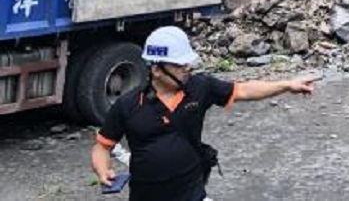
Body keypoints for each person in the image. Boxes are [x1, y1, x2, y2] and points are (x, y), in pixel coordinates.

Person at [90, 26, 317, 201]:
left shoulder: (201, 87)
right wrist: (103, 171)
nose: (187, 68)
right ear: (157, 70)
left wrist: (287, 84)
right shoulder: (127, 105)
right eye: (179, 65)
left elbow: (244, 90)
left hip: (192, 194)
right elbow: (102, 146)